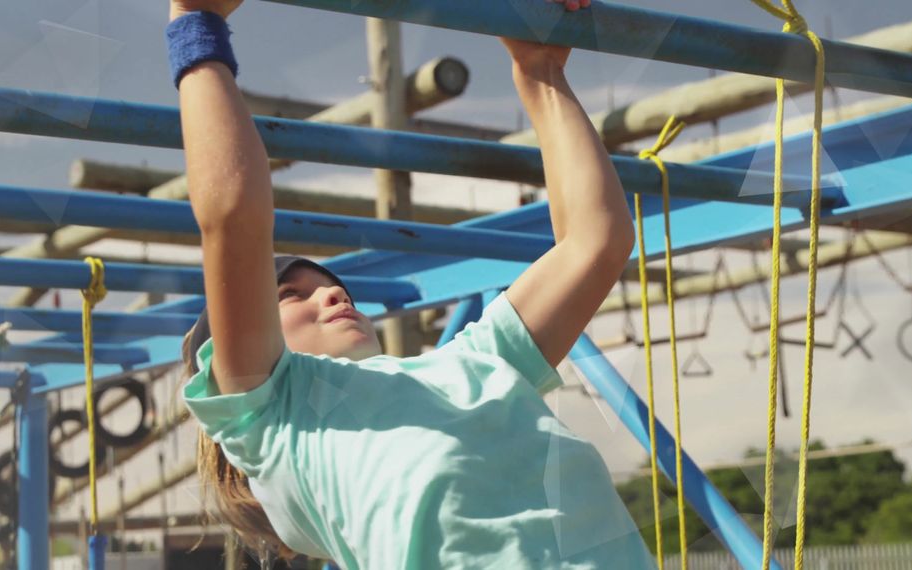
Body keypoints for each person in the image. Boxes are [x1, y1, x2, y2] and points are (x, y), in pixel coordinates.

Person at [170, 0, 653, 567]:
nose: (332, 293)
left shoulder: (477, 364)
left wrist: (540, 71)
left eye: (329, 285)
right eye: (289, 294)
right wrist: (195, 23)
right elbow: (236, 220)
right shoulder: (277, 420)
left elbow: (596, 240)